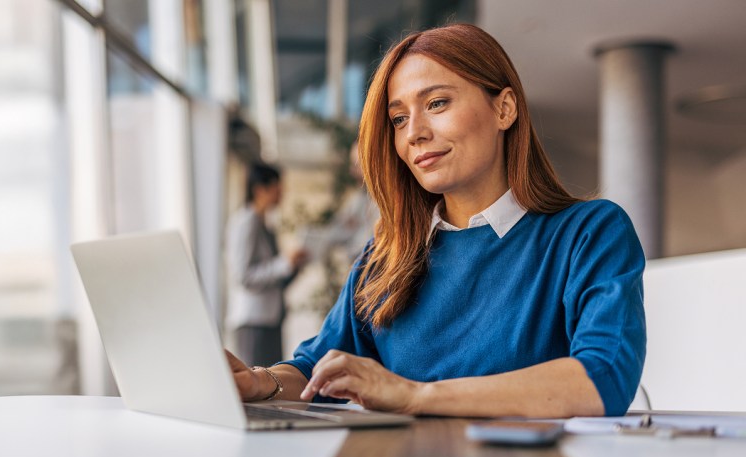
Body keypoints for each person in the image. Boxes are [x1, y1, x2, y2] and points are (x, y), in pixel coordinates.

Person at [226, 23, 646, 418]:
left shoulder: (589, 234)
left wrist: (416, 396)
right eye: (399, 118)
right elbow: (315, 368)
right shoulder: (384, 260)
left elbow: (603, 377)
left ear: (504, 109)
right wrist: (260, 383)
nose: (414, 134)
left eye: (436, 103)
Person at [226, 162, 309, 367]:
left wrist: (294, 266)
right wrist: (283, 263)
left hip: (270, 319)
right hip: (253, 321)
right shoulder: (246, 222)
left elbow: (275, 279)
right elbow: (243, 276)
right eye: (277, 187)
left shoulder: (265, 224)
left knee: (272, 382)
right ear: (259, 189)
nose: (282, 193)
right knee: (256, 386)